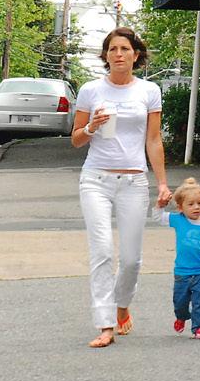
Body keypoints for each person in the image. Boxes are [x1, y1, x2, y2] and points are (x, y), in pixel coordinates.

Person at [71, 27, 171, 348]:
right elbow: (76, 139)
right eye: (112, 49)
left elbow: (153, 140)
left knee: (130, 260)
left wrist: (162, 183)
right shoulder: (90, 90)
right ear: (105, 55)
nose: (118, 54)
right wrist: (91, 126)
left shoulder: (149, 91)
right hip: (96, 180)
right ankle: (105, 324)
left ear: (135, 54)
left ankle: (122, 303)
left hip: (133, 181)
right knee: (101, 251)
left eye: (124, 49)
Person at [153, 177, 200, 338]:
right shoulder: (178, 220)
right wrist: (159, 205)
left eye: (199, 203)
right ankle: (181, 317)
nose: (196, 207)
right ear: (180, 207)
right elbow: (158, 218)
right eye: (191, 204)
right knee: (180, 302)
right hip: (182, 272)